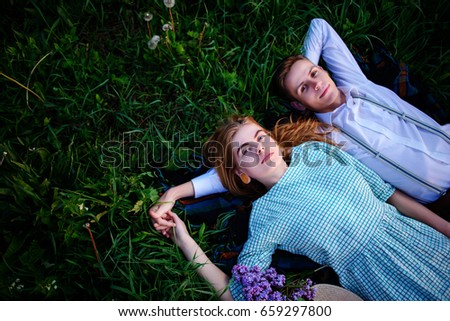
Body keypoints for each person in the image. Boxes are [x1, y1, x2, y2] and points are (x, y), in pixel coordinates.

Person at [151, 18, 450, 221]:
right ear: (298, 103)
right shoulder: (319, 132)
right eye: (304, 88)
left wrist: (305, 66)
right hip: (438, 194)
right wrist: (175, 192)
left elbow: (319, 26)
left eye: (314, 73)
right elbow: (238, 162)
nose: (316, 84)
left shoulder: (358, 85)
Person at [153, 116, 450, 301]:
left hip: (420, 238)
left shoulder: (316, 151)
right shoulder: (265, 216)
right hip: (378, 277)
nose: (259, 149)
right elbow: (238, 295)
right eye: (246, 151)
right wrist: (184, 239)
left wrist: (444, 226)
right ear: (241, 172)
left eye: (260, 138)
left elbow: (389, 195)